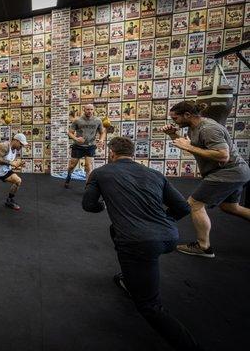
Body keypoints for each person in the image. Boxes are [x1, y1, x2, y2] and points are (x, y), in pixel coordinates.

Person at [82, 137, 204, 351]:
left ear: (111, 154)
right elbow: (184, 208)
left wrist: (103, 206)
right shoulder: (154, 173)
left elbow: (89, 206)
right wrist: (163, 223)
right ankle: (131, 279)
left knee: (149, 306)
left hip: (139, 242)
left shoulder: (100, 173)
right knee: (115, 231)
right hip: (170, 235)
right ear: (132, 153)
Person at [161, 101, 250, 257]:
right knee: (230, 207)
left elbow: (223, 155)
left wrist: (188, 147)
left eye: (176, 118)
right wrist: (173, 135)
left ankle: (203, 247)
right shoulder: (193, 127)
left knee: (194, 204)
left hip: (227, 173)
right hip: (234, 172)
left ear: (187, 115)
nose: (174, 121)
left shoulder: (209, 129)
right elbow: (197, 149)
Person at [64, 104, 106, 188]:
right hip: (78, 147)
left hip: (90, 146)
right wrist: (76, 139)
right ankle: (68, 176)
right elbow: (69, 132)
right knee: (72, 166)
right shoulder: (77, 120)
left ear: (93, 110)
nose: (89, 111)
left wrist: (101, 140)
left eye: (91, 109)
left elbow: (102, 132)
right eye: (87, 109)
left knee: (88, 167)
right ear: (84, 110)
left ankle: (87, 186)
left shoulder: (98, 120)